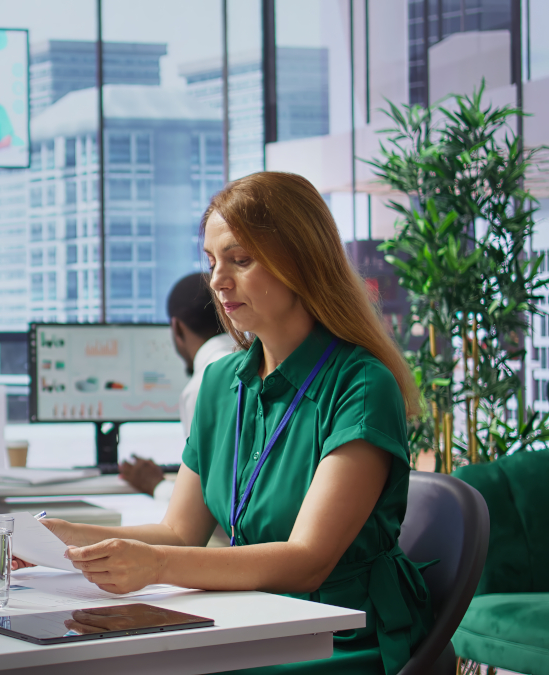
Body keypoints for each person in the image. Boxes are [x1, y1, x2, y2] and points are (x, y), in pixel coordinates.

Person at [43, 172, 432, 675]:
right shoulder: (220, 382)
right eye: (211, 262)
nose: (217, 280)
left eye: (240, 260)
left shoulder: (361, 386)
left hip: (338, 634)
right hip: (252, 617)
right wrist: (65, 540)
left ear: (302, 262)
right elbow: (181, 531)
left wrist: (155, 566)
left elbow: (308, 559)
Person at [119, 273, 236, 497]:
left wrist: (156, 485)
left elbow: (209, 502)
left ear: (177, 327)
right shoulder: (257, 361)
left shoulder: (205, 383)